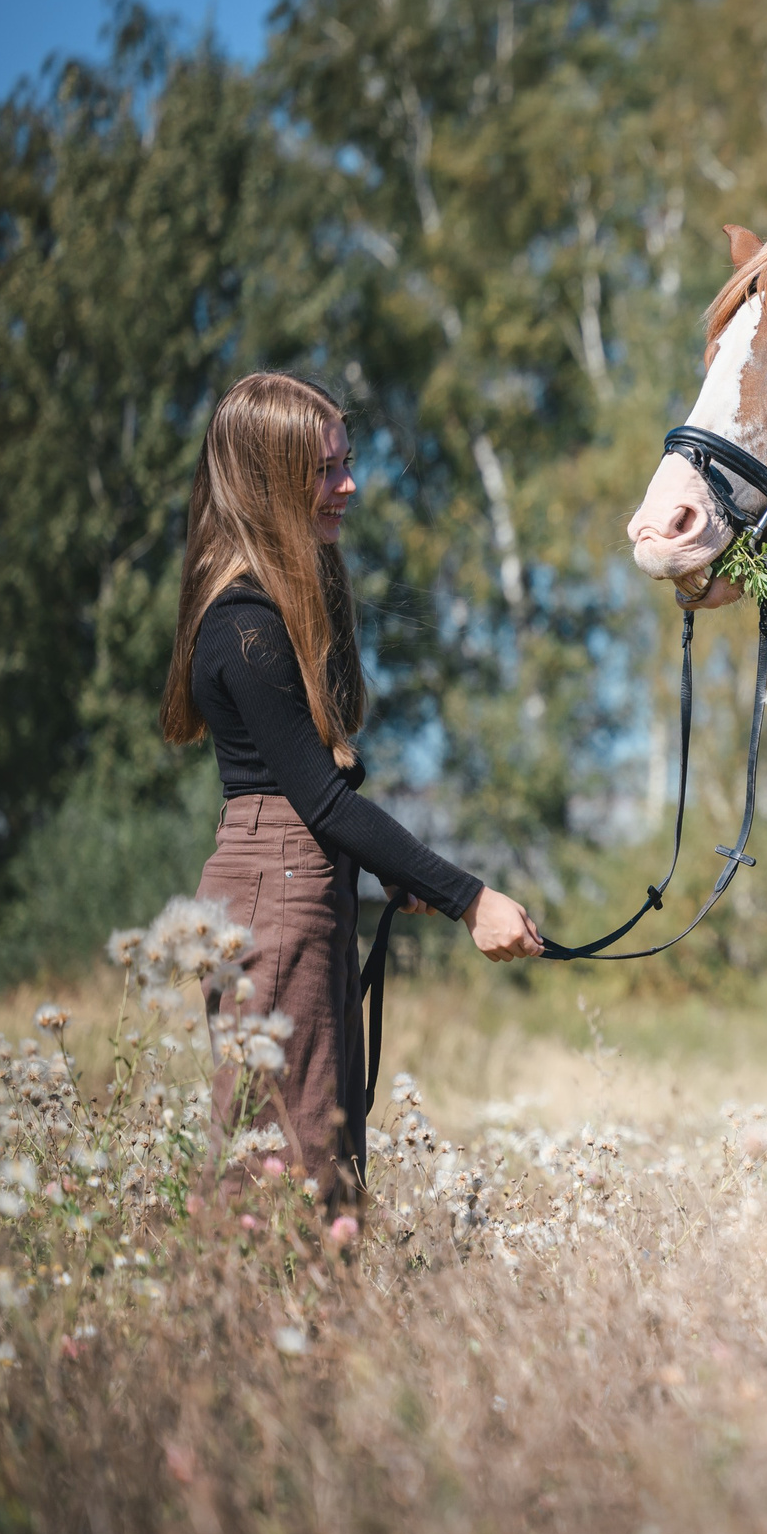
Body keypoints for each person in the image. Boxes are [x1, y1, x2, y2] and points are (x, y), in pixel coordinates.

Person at [160, 371, 541, 1213]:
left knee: (315, 1155)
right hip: (281, 884)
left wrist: (391, 870)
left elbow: (321, 799)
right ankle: (256, 1334)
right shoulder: (246, 627)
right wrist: (468, 899)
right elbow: (322, 803)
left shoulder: (279, 606)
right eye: (326, 469)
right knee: (285, 1173)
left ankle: (304, 1332)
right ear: (267, 480)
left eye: (348, 460)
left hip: (299, 875)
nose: (349, 484)